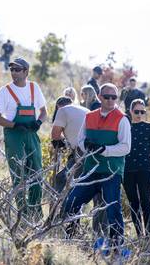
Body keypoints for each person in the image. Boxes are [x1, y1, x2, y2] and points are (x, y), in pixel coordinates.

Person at [62, 83, 131, 254]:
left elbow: (126, 147)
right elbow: (80, 140)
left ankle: (116, 247)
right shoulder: (89, 116)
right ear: (99, 97)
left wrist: (104, 150)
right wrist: (88, 146)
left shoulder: (122, 119)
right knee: (71, 203)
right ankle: (70, 239)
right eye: (106, 97)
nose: (110, 100)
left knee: (113, 209)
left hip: (111, 172)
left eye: (114, 97)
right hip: (90, 170)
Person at [0, 57, 47, 219]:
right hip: (14, 136)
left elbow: (44, 112)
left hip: (31, 134)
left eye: (17, 69)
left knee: (37, 174)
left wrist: (38, 122)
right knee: (19, 175)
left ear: (26, 72)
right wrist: (14, 125)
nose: (14, 73)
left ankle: (36, 214)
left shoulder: (34, 88)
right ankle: (23, 214)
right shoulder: (4, 91)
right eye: (12, 69)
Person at [123, 99, 150, 250]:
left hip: (145, 169)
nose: (139, 114)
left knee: (145, 202)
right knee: (133, 204)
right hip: (127, 170)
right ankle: (139, 236)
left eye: (142, 112)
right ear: (130, 111)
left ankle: (148, 237)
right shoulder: (125, 126)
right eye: (136, 111)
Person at [51, 97, 89, 191]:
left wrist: (61, 142)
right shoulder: (85, 110)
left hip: (81, 151)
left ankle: (60, 204)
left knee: (62, 179)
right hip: (94, 149)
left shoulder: (62, 110)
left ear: (58, 106)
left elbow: (55, 135)